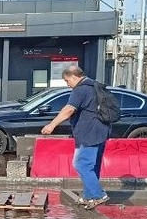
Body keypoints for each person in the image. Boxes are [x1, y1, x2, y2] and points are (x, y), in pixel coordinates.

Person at [39, 64, 111, 209]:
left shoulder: (80, 89)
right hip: (101, 130)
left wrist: (52, 125)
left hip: (88, 133)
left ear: (73, 76)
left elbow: (69, 109)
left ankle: (98, 195)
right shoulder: (94, 86)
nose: (68, 85)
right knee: (92, 166)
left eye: (67, 81)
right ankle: (88, 196)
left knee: (81, 164)